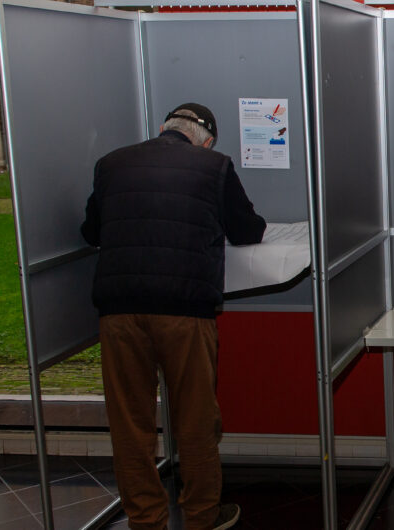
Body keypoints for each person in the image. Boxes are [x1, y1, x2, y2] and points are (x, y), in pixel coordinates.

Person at [81, 102, 265, 530]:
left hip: (120, 312)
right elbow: (247, 230)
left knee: (131, 425)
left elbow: (90, 231)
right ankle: (201, 517)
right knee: (195, 420)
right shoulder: (215, 166)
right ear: (207, 141)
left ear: (164, 127)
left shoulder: (110, 164)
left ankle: (146, 520)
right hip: (185, 311)